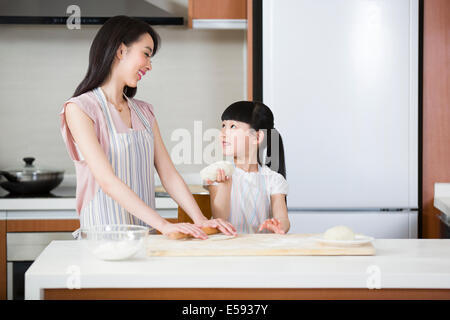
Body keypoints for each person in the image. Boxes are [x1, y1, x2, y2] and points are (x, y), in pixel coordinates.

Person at [59, 15, 236, 239]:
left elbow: (168, 174)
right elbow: (107, 181)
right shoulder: (80, 108)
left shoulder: (144, 112)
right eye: (146, 54)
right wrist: (164, 225)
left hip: (144, 236)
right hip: (103, 238)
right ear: (121, 51)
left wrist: (200, 219)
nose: (149, 65)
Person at [204, 101, 290, 234]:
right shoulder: (220, 173)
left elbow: (282, 218)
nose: (222, 133)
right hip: (228, 250)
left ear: (256, 136)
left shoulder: (273, 179)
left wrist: (278, 225)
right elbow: (219, 218)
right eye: (223, 125)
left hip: (261, 250)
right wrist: (224, 187)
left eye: (233, 126)